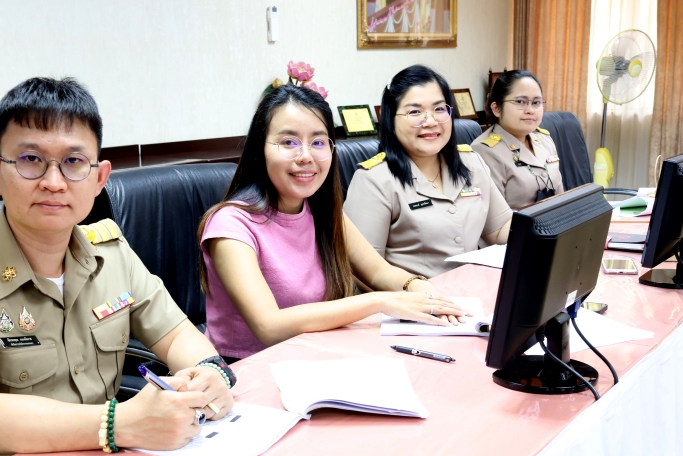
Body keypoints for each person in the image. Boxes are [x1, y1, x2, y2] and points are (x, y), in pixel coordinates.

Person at [0, 77, 234, 456]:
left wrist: (208, 372)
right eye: (31, 159)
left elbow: (176, 334)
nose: (53, 182)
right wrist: (119, 422)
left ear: (99, 178)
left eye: (73, 162)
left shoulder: (112, 253)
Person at [197, 84, 468, 360]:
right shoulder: (231, 224)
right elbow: (269, 326)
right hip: (249, 367)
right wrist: (380, 301)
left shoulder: (322, 210)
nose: (306, 156)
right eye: (288, 142)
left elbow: (378, 273)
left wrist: (420, 288)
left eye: (318, 142)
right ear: (260, 149)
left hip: (317, 353)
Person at [344, 65, 513, 279]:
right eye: (415, 112)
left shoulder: (471, 162)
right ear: (390, 119)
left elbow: (499, 230)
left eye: (439, 109)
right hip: (413, 297)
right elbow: (362, 272)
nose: (431, 121)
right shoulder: (373, 180)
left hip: (475, 288)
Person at [471, 70, 564, 209]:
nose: (530, 110)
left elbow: (561, 197)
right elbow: (494, 217)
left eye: (536, 102)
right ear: (497, 109)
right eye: (520, 102)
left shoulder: (544, 139)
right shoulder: (484, 151)